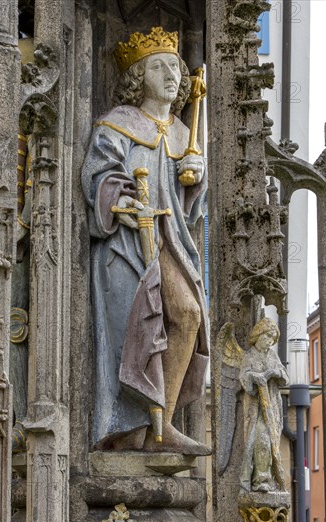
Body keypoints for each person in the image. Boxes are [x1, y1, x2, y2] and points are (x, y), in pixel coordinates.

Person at [82, 27, 209, 454]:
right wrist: (122, 201)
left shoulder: (181, 132)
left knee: (188, 314)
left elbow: (190, 212)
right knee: (136, 332)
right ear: (138, 75)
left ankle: (163, 423)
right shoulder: (117, 124)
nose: (171, 74)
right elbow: (97, 176)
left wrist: (194, 178)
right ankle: (132, 427)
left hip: (170, 241)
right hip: (125, 247)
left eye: (175, 66)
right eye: (159, 66)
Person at [239, 318, 289, 492]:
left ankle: (269, 478)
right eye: (268, 337)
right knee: (260, 440)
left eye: (273, 339)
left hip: (272, 406)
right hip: (255, 407)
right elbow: (243, 378)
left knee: (270, 440)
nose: (270, 342)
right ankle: (260, 479)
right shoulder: (249, 356)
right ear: (259, 335)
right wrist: (254, 376)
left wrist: (276, 372)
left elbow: (285, 378)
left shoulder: (272, 355)